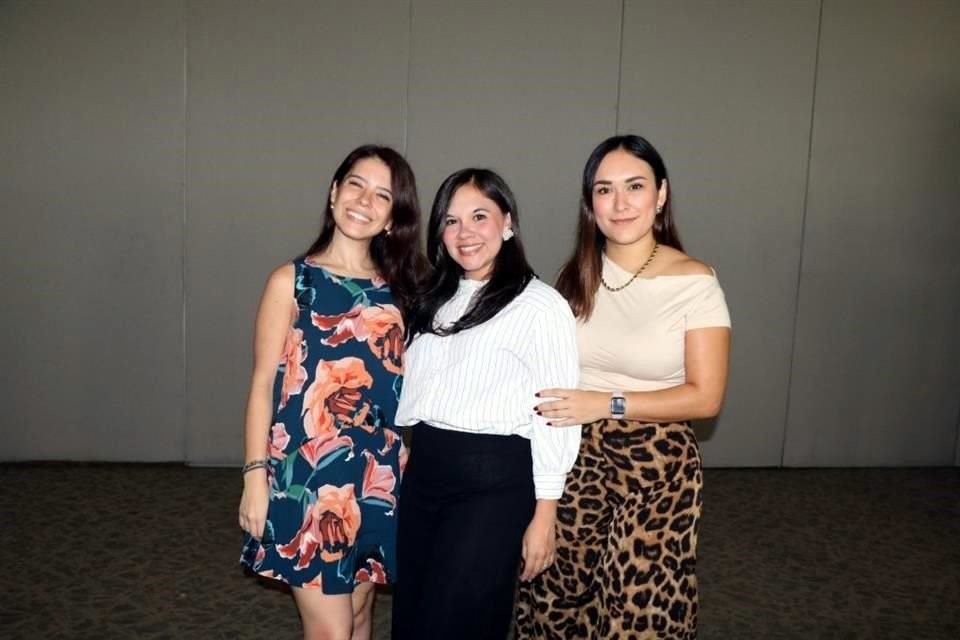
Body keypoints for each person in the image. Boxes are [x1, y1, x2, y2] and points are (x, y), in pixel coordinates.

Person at [515, 135, 731, 639]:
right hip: (574, 459)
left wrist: (605, 403)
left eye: (635, 186)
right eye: (604, 190)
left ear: (660, 195)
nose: (620, 203)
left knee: (640, 612)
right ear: (590, 204)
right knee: (556, 601)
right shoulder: (574, 279)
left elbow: (706, 396)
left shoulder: (694, 280)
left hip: (655, 466)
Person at [238, 144, 424, 640]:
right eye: (356, 185)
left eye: (382, 195)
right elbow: (261, 386)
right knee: (332, 631)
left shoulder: (405, 292)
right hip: (306, 480)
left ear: (392, 218)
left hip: (378, 479)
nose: (364, 200)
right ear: (334, 191)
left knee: (362, 618)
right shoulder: (291, 282)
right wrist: (255, 475)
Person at [390, 168, 582, 639]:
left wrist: (545, 514)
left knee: (456, 619)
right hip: (426, 473)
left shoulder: (540, 306)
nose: (465, 233)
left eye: (480, 216)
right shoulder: (432, 298)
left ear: (508, 222)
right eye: (451, 221)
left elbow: (556, 412)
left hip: (493, 483)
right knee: (414, 614)